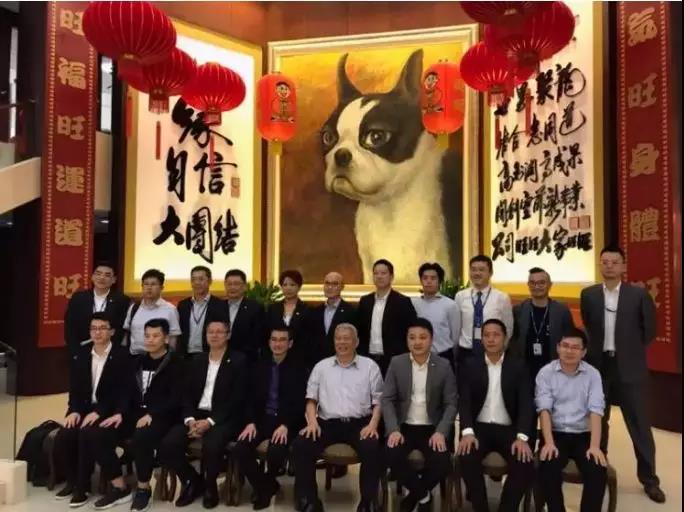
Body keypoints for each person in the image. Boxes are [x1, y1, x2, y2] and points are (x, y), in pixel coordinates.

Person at [580, 245, 664, 503]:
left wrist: (629, 351)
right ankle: (598, 470)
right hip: (599, 366)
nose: (609, 266)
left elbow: (649, 331)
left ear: (623, 266)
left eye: (614, 262)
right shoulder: (589, 295)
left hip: (630, 367)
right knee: (597, 421)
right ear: (600, 265)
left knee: (639, 424)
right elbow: (588, 326)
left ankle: (649, 479)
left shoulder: (638, 295)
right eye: (604, 262)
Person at [293, 323, 384, 512]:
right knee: (302, 445)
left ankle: (368, 503)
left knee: (372, 447)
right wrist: (312, 422)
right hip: (327, 423)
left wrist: (373, 425)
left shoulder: (370, 366)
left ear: (356, 342)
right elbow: (311, 399)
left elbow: (378, 401)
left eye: (346, 338)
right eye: (338, 338)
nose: (342, 342)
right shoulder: (321, 366)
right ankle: (309, 500)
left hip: (360, 424)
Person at [159, 318, 248, 509]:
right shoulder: (197, 360)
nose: (214, 335)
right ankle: (192, 480)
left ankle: (210, 487)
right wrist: (190, 419)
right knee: (168, 444)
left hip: (223, 418)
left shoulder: (239, 361)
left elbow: (237, 399)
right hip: (196, 415)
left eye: (219, 332)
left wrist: (210, 421)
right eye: (210, 332)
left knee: (212, 445)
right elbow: (186, 394)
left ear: (228, 335)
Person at [53, 312, 134, 509]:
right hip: (84, 409)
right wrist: (74, 410)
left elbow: (124, 391)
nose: (97, 332)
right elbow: (75, 389)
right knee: (65, 434)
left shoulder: (123, 355)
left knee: (89, 433)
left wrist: (101, 412)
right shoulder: (82, 354)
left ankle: (90, 487)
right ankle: (75, 481)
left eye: (102, 328)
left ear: (112, 331)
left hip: (113, 411)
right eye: (94, 328)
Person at [456, 319, 535, 512]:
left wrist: (522, 437)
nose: (491, 339)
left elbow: (526, 404)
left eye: (496, 335)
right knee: (466, 456)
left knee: (524, 460)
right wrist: (467, 432)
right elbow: (464, 401)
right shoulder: (470, 365)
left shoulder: (518, 366)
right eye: (486, 335)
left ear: (505, 338)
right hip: (478, 429)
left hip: (509, 430)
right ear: (481, 339)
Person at [382, 318, 457, 512]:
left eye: (423, 337)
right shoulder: (397, 363)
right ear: (407, 340)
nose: (417, 342)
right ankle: (423, 496)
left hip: (432, 428)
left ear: (431, 340)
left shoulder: (444, 365)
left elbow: (451, 403)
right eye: (412, 337)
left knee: (442, 461)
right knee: (390, 454)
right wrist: (393, 429)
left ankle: (412, 498)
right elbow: (387, 399)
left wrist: (441, 432)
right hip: (404, 427)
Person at [233, 326, 307, 510]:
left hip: (287, 421)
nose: (277, 344)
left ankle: (266, 483)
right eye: (274, 339)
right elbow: (248, 398)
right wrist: (250, 422)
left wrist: (286, 424)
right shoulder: (259, 366)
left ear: (290, 344)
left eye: (282, 340)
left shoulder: (299, 368)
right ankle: (264, 486)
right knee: (240, 448)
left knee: (276, 451)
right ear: (269, 342)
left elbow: (300, 402)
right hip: (261, 420)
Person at [536, 328, 608, 512]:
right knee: (548, 467)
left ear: (584, 352)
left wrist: (595, 446)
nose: (569, 351)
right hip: (555, 434)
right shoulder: (546, 373)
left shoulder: (593, 374)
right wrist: (549, 443)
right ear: (558, 348)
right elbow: (544, 409)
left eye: (575, 347)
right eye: (565, 346)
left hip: (583, 435)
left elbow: (596, 411)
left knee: (597, 470)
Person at [129, 318, 185, 512]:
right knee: (104, 429)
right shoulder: (137, 362)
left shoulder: (176, 363)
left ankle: (143, 488)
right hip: (138, 413)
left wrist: (153, 413)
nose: (150, 340)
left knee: (142, 436)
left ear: (166, 338)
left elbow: (176, 397)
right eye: (147, 336)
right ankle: (117, 484)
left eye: (155, 336)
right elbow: (128, 392)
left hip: (164, 415)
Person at [511, 267, 575, 382]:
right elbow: (514, 339)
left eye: (541, 283)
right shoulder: (519, 310)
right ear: (528, 285)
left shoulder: (561, 311)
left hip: (555, 370)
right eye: (533, 283)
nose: (537, 286)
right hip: (525, 371)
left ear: (550, 285)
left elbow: (571, 339)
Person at [357, 259, 417, 375]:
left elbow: (411, 331)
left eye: (383, 273)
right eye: (376, 273)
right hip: (368, 359)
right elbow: (359, 331)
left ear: (391, 276)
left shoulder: (402, 302)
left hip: (394, 359)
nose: (379, 276)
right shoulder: (365, 301)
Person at [453, 255, 513, 366]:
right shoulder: (460, 296)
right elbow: (457, 326)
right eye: (473, 270)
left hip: (493, 351)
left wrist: (501, 349)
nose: (477, 273)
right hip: (465, 351)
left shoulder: (502, 298)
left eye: (481, 270)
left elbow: (508, 328)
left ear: (490, 273)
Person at [64, 261, 130, 353]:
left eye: (107, 275)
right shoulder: (78, 298)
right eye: (98, 274)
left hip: (110, 351)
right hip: (82, 349)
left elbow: (121, 329)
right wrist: (75, 351)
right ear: (92, 277)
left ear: (114, 280)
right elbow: (70, 327)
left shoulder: (122, 300)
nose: (102, 277)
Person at [411, 262, 459, 369]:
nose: (428, 281)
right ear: (421, 280)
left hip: (443, 356)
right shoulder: (413, 303)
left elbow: (455, 336)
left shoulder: (450, 305)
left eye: (433, 278)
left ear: (440, 281)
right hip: (418, 357)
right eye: (425, 278)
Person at [122, 269, 181, 357]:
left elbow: (173, 337)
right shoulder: (134, 308)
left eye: (153, 284)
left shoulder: (170, 309)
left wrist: (169, 358)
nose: (149, 288)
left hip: (159, 358)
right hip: (134, 357)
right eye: (146, 284)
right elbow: (127, 333)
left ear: (161, 288)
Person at [306, 271, 356, 368]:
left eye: (335, 284)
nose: (330, 287)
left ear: (342, 287)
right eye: (327, 283)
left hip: (342, 363)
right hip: (317, 364)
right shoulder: (314, 312)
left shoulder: (351, 312)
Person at [176, 266, 229, 358]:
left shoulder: (220, 305)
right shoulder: (183, 305)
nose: (197, 283)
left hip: (209, 354)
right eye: (193, 279)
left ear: (210, 281)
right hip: (185, 356)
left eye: (201, 279)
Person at [266, 270, 309, 362]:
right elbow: (267, 332)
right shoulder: (273, 308)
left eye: (292, 285)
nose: (288, 288)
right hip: (276, 356)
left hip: (300, 357)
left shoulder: (307, 309)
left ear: (299, 287)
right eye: (285, 285)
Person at [223, 269, 266, 362]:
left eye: (236, 284)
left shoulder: (255, 308)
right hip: (220, 358)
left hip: (245, 358)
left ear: (245, 286)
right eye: (229, 284)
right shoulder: (218, 306)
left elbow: (258, 337)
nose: (232, 287)